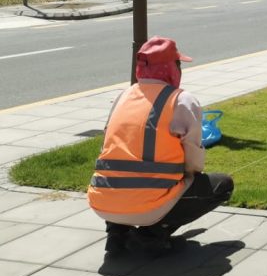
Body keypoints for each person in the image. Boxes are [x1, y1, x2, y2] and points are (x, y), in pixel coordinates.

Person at [88, 36, 234, 255]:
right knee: (222, 185)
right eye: (178, 64)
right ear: (171, 68)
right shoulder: (181, 100)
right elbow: (194, 164)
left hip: (102, 202)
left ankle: (117, 233)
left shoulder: (123, 96)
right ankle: (152, 234)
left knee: (128, 181)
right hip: (150, 205)